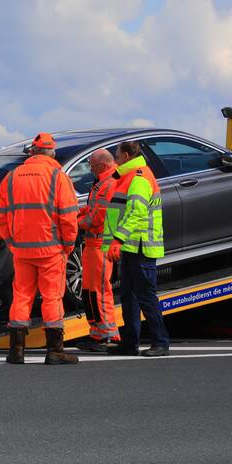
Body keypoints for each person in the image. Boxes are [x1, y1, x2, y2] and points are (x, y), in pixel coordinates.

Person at [0, 132, 79, 365]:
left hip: (21, 249)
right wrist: (69, 243)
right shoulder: (57, 177)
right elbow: (69, 216)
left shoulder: (11, 177)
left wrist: (11, 240)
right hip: (51, 249)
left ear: (32, 152)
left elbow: (0, 216)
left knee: (21, 297)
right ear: (51, 152)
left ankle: (16, 351)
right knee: (52, 297)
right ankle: (54, 351)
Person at [106, 140, 170, 357]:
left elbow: (137, 213)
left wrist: (117, 239)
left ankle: (160, 342)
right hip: (132, 246)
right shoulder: (128, 176)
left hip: (140, 245)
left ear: (126, 155)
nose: (114, 158)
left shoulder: (139, 178)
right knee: (129, 296)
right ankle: (130, 343)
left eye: (116, 154)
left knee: (145, 296)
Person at [74, 148, 122, 352]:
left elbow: (97, 217)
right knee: (91, 291)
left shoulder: (109, 182)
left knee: (99, 290)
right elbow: (94, 209)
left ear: (102, 165)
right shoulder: (103, 181)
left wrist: (73, 222)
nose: (91, 170)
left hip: (100, 243)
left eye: (92, 166)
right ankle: (99, 332)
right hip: (95, 243)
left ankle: (107, 335)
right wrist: (77, 213)